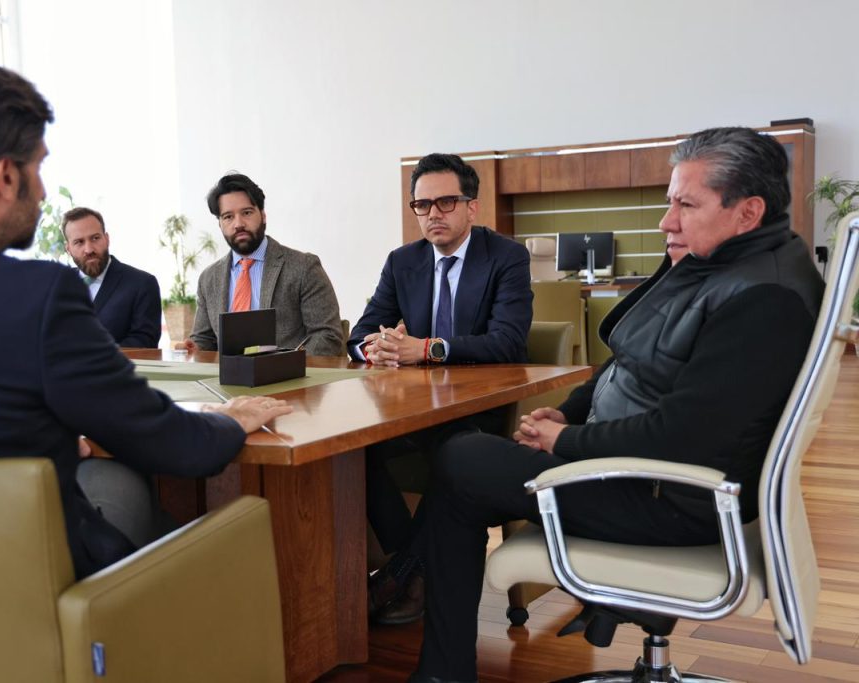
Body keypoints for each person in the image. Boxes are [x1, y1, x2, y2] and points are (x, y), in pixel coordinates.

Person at [0, 57, 290, 580]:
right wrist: (229, 419)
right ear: (6, 175)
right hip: (32, 594)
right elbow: (173, 444)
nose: (44, 192)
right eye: (38, 167)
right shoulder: (37, 297)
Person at [408, 127, 825, 683]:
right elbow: (631, 361)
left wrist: (565, 440)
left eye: (686, 205)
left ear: (748, 212)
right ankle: (415, 606)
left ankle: (433, 653)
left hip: (671, 499)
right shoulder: (726, 264)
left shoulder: (762, 297)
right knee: (464, 464)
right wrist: (569, 412)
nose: (666, 221)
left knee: (460, 459)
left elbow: (682, 434)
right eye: (669, 202)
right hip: (648, 475)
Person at [347, 152, 533, 625]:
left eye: (446, 202)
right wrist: (376, 348)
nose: (433, 213)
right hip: (414, 409)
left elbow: (508, 342)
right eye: (423, 205)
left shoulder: (505, 257)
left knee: (455, 451)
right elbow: (360, 332)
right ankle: (410, 564)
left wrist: (426, 349)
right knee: (351, 448)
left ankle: (399, 575)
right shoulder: (402, 261)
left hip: (480, 412)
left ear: (471, 207)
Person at [188, 172, 344, 356]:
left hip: (287, 373)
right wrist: (193, 350)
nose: (238, 224)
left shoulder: (304, 268)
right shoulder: (208, 279)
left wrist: (283, 366)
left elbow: (327, 336)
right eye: (228, 216)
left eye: (246, 213)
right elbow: (204, 340)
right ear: (220, 224)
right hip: (227, 374)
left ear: (263, 215)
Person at [62, 206, 162, 348]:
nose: (89, 249)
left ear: (107, 239)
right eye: (79, 242)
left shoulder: (142, 284)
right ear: (68, 249)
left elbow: (145, 342)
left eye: (95, 238)